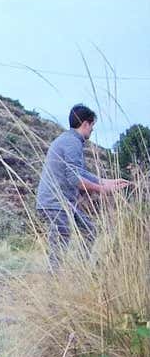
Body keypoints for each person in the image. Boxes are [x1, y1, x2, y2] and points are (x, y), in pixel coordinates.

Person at [36, 104, 130, 268]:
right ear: (86, 124)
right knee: (59, 245)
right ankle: (55, 281)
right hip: (56, 204)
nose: (92, 130)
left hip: (63, 203)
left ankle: (78, 271)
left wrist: (107, 182)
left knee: (89, 229)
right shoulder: (72, 143)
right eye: (92, 125)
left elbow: (81, 173)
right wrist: (102, 190)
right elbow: (75, 179)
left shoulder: (68, 140)